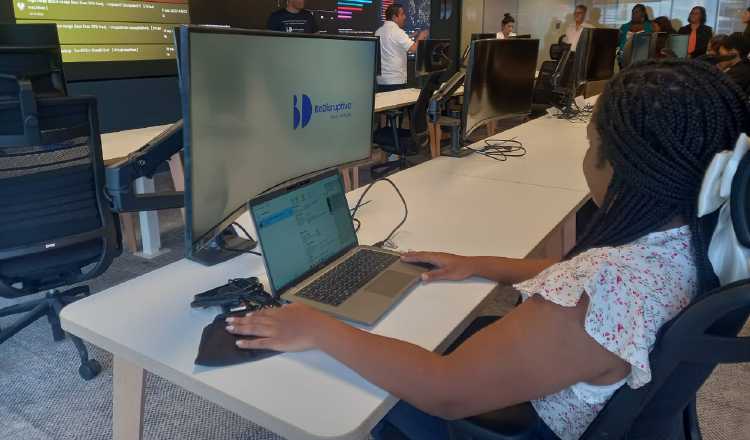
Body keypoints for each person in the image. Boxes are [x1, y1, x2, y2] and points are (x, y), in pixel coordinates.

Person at [226, 59, 746, 440]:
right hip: (565, 391)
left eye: (592, 146)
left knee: (353, 380)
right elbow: (578, 278)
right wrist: (479, 265)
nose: (586, 157)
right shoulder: (686, 243)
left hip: (512, 425)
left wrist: (317, 327)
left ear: (624, 168)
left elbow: (447, 392)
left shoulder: (605, 291)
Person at [374, 3, 428, 93]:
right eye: (402, 14)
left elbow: (393, 43)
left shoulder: (378, 31)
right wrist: (421, 36)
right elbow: (414, 49)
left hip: (381, 81)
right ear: (394, 17)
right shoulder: (397, 32)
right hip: (395, 81)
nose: (405, 17)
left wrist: (410, 35)